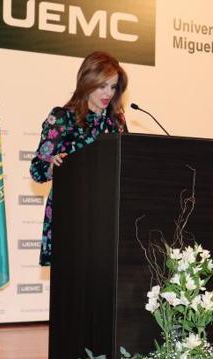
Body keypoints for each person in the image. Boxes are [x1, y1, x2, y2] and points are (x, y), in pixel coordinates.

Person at [30, 51, 129, 266]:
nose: (108, 93)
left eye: (113, 87)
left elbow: (128, 164)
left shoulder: (116, 122)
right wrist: (52, 164)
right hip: (71, 212)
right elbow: (37, 169)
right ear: (87, 81)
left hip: (109, 215)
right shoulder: (63, 117)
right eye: (102, 86)